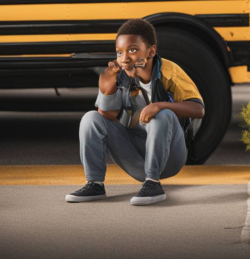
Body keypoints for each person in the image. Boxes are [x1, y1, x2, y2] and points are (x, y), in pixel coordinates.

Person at [65, 19, 205, 205]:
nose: (124, 58)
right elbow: (107, 117)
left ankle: (153, 183)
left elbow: (198, 110)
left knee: (161, 115)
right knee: (90, 118)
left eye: (132, 50)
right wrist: (108, 88)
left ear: (151, 51)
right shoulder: (119, 75)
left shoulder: (169, 72)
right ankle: (95, 183)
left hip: (171, 157)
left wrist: (160, 105)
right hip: (136, 159)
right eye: (119, 52)